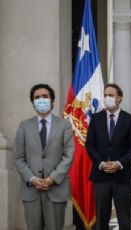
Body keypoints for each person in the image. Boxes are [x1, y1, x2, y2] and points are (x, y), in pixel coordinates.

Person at [14, 83, 74, 230]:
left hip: (56, 188)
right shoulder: (24, 126)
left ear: (52, 101)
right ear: (33, 103)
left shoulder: (64, 125)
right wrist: (33, 179)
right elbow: (19, 158)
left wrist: (52, 178)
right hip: (31, 191)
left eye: (45, 96)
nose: (41, 100)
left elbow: (68, 155)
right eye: (37, 97)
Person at [85, 83, 131, 230]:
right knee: (101, 219)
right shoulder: (96, 119)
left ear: (119, 98)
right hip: (100, 176)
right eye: (105, 95)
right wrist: (101, 163)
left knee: (124, 219)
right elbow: (90, 145)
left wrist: (119, 163)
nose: (107, 98)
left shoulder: (130, 120)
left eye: (111, 95)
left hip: (122, 176)